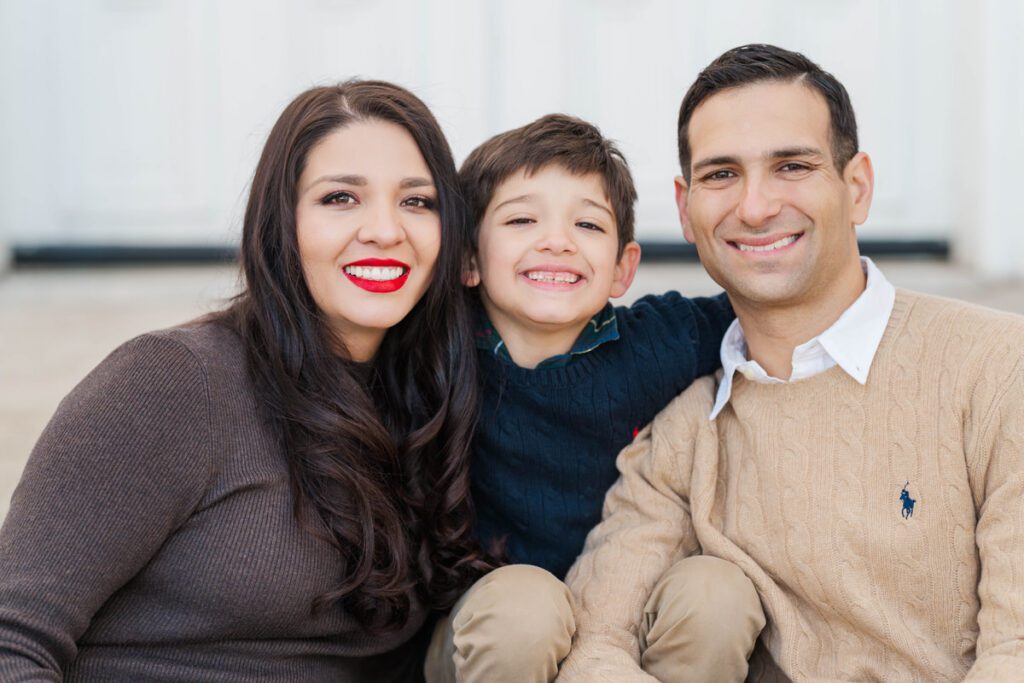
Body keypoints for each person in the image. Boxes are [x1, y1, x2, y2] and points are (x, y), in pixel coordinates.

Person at [0, 80, 494, 681]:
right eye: (340, 198)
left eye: (418, 202)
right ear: (280, 221)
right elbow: (13, 636)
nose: (386, 230)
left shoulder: (435, 398)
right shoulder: (173, 382)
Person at [559, 44, 1024, 681]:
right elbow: (594, 642)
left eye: (792, 166)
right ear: (686, 209)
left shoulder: (998, 368)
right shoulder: (685, 432)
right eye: (721, 174)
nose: (755, 207)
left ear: (856, 188)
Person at [423, 114, 737, 683]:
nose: (557, 241)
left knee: (717, 593)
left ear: (622, 268)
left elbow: (767, 306)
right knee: (527, 610)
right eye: (521, 218)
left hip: (621, 615)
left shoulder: (656, 342)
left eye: (588, 226)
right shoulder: (436, 355)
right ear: (467, 259)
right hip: (488, 626)